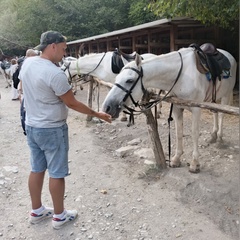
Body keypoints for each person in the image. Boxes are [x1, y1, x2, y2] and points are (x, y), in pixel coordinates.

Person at [19, 31, 112, 230]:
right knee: (56, 173)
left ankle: (36, 211)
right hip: (52, 129)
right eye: (63, 48)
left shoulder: (27, 64)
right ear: (53, 46)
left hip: (33, 126)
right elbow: (72, 103)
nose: (64, 53)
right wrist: (97, 114)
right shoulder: (54, 73)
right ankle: (60, 216)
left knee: (36, 168)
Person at [17, 49, 39, 135]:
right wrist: (20, 92)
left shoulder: (24, 65)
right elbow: (21, 80)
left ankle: (27, 129)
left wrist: (19, 92)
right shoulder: (27, 65)